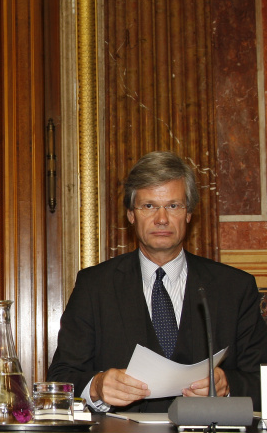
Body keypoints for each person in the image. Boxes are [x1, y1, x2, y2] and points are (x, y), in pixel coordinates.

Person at [48, 151, 267, 413]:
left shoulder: (235, 288)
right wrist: (96, 386)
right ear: (131, 215)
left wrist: (227, 385)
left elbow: (260, 378)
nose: (161, 219)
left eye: (173, 206)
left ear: (188, 214)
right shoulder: (94, 286)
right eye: (149, 206)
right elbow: (61, 378)